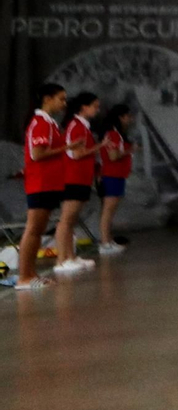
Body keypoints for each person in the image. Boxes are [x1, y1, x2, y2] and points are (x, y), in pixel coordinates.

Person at [18, 84, 69, 289]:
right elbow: (37, 154)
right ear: (47, 99)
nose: (64, 104)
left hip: (48, 183)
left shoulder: (49, 123)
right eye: (61, 99)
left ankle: (31, 274)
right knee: (33, 230)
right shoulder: (40, 123)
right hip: (40, 183)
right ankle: (24, 277)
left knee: (37, 231)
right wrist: (67, 147)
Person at [58, 91, 102, 273]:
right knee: (66, 219)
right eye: (95, 106)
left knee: (72, 219)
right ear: (84, 107)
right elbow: (74, 153)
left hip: (82, 178)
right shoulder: (75, 126)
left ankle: (71, 256)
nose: (97, 110)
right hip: (72, 178)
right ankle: (61, 260)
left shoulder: (83, 126)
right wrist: (100, 146)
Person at [96, 104, 135, 255]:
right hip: (111, 175)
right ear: (121, 117)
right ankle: (105, 242)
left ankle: (108, 240)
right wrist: (129, 150)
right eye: (128, 116)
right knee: (108, 210)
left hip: (117, 175)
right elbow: (113, 156)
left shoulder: (117, 134)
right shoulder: (113, 134)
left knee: (110, 211)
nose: (130, 119)